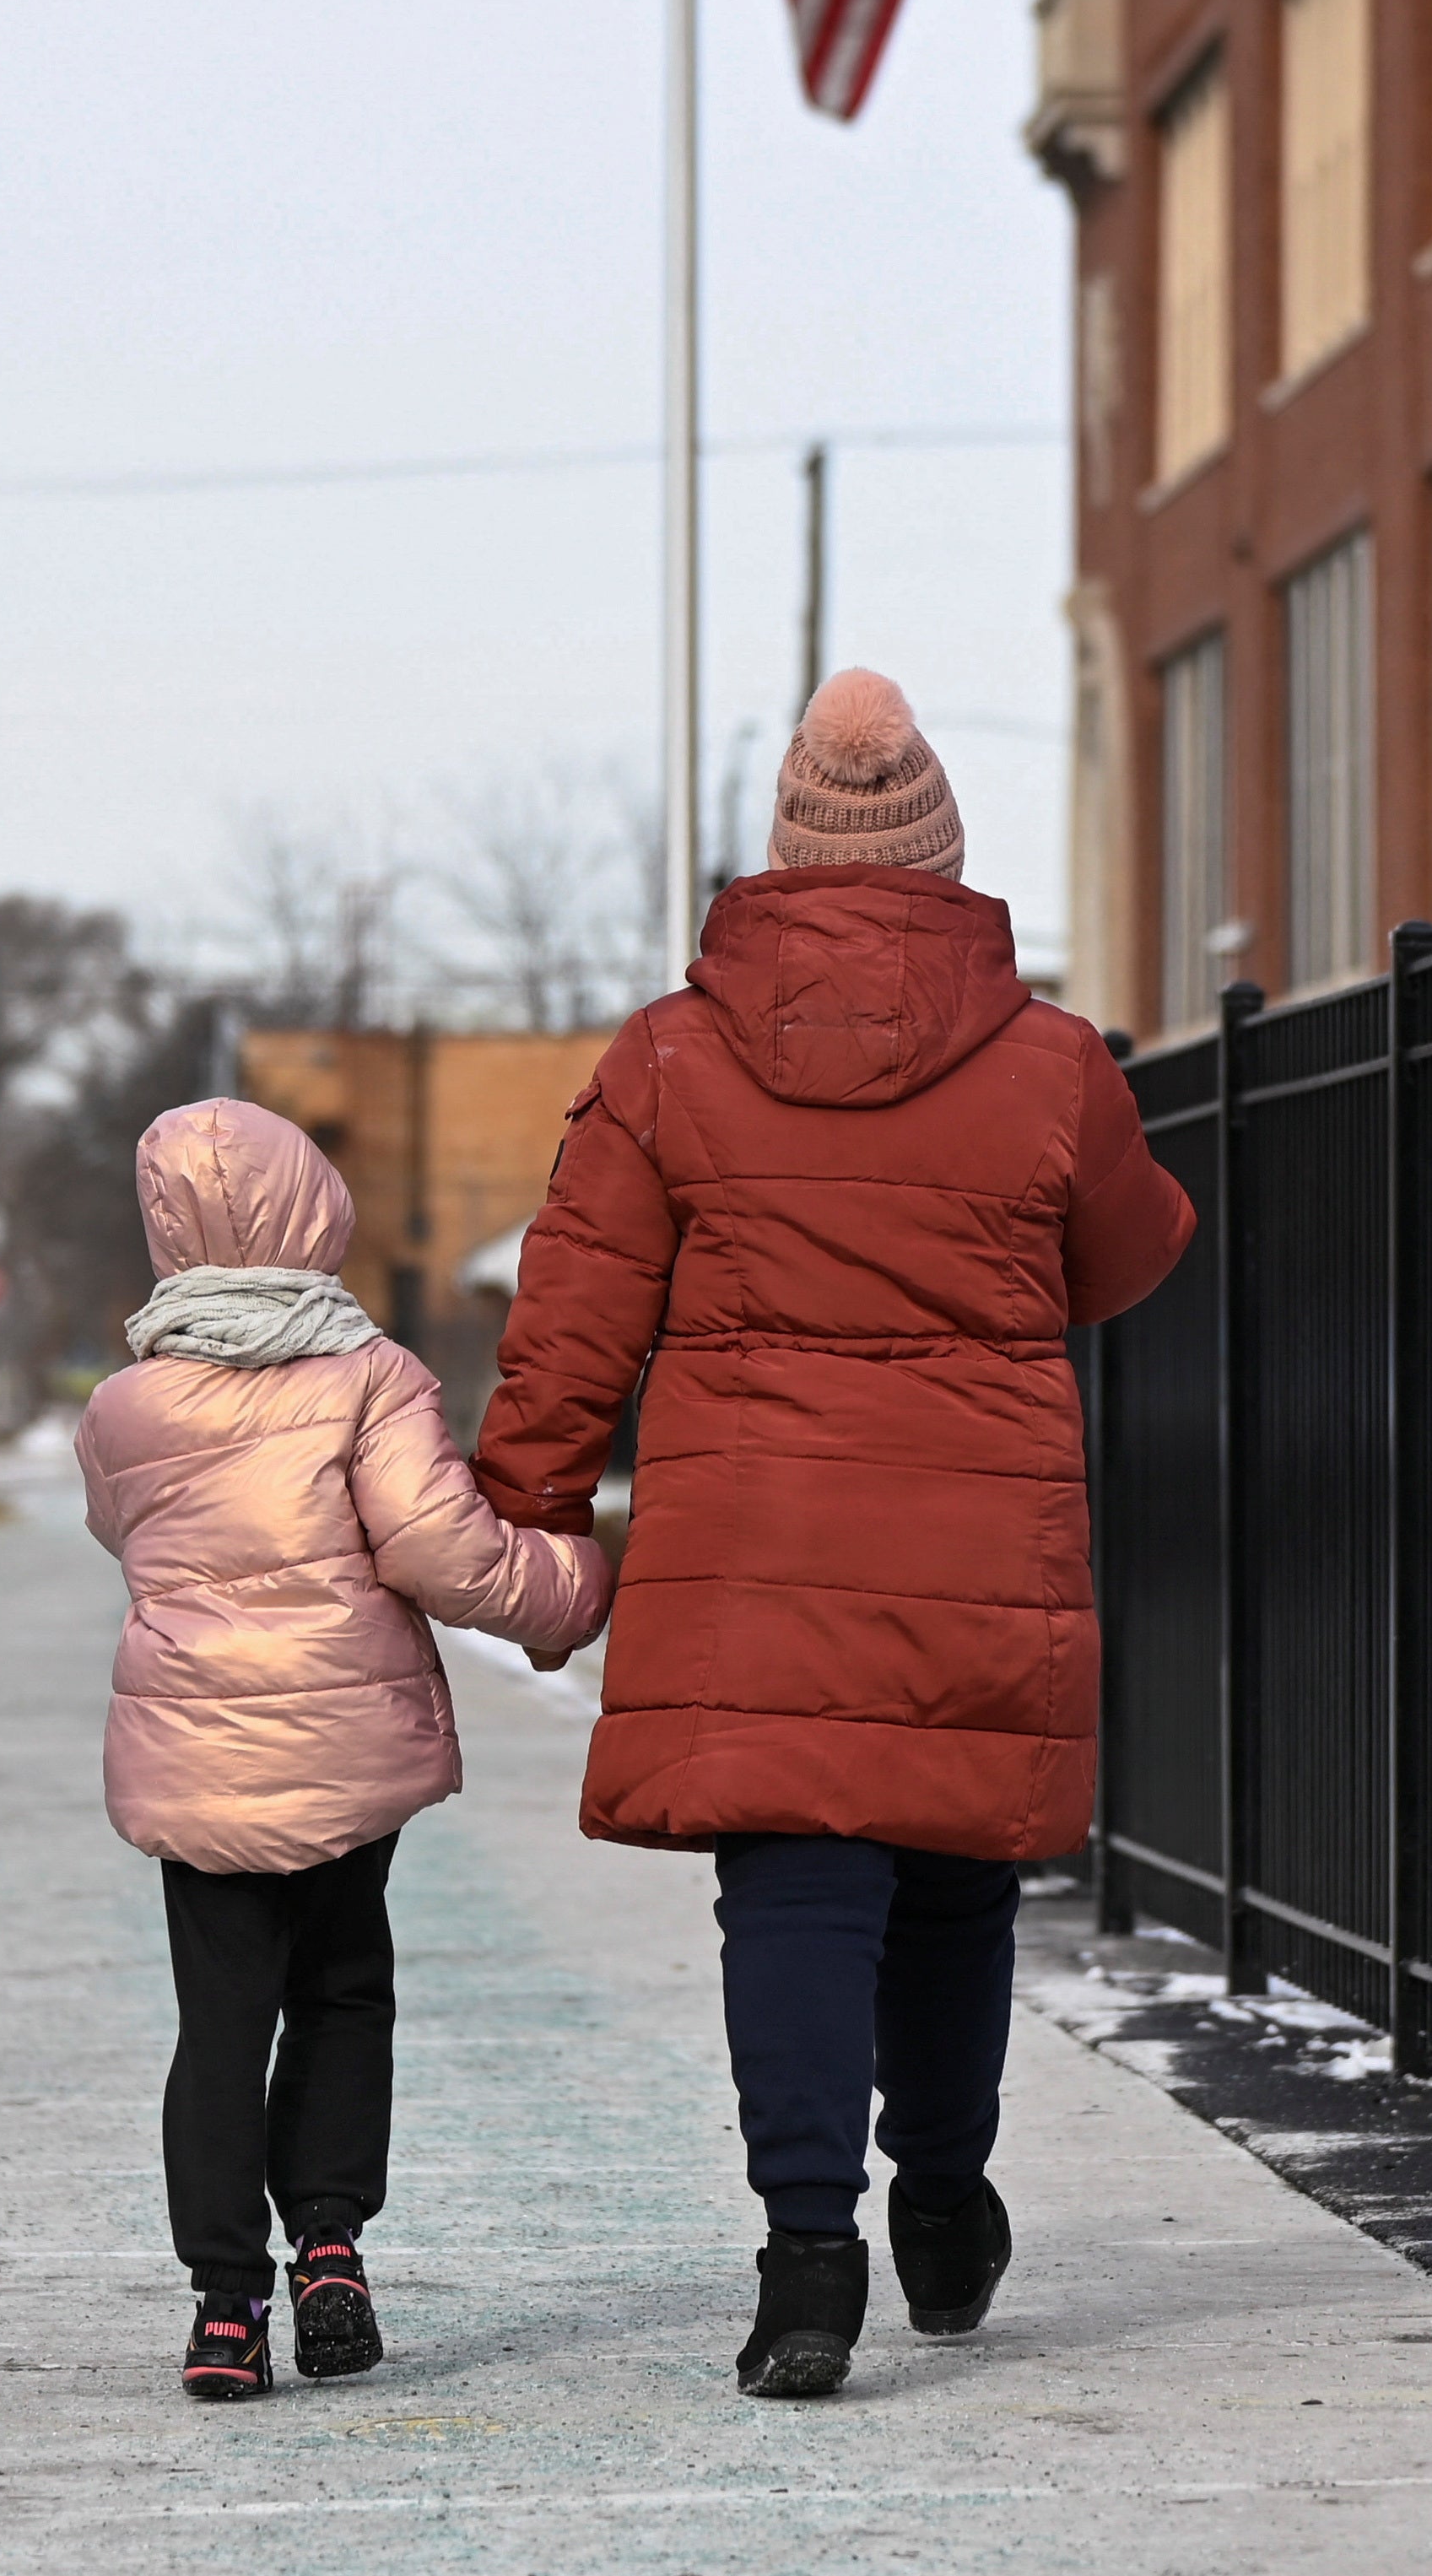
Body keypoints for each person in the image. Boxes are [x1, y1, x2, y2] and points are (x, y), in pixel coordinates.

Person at [480, 667, 1197, 2398]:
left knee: (791, 1897)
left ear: (782, 863)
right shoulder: (1050, 1065)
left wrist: (528, 1514)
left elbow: (576, 1310)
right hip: (972, 1544)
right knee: (953, 1893)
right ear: (942, 862)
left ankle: (810, 2255)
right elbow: (1128, 1255)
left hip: (753, 1555)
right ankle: (944, 2204)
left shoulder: (667, 1058)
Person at [76, 1097, 612, 2401]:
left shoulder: (125, 1405)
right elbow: (439, 1551)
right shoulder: (366, 1377)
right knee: (339, 1990)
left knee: (218, 2021)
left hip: (195, 1743)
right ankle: (326, 2247)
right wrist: (572, 1590)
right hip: (341, 1738)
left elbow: (124, 1539)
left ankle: (221, 2308)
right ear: (313, 1205)